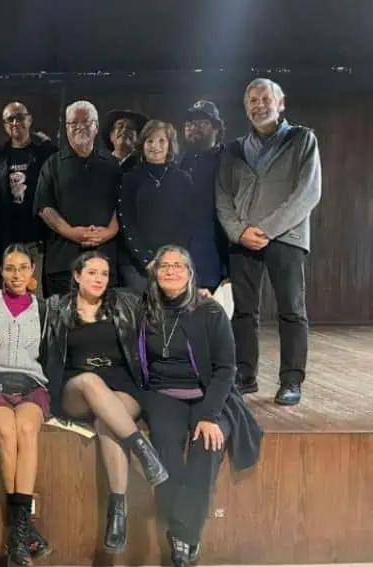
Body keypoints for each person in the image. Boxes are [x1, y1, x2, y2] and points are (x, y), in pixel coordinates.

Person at [135, 245, 263, 567]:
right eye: (164, 265)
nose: (171, 271)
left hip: (208, 394)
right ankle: (186, 538)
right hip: (163, 393)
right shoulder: (143, 309)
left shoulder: (211, 312)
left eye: (180, 266)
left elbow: (225, 369)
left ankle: (183, 537)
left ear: (191, 274)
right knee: (165, 444)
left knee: (208, 444)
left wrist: (208, 416)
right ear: (154, 271)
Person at [41, 250, 168, 555]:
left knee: (107, 422)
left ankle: (118, 510)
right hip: (76, 389)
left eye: (104, 274)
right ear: (77, 276)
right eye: (92, 273)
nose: (99, 279)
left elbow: (160, 300)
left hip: (122, 386)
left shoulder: (124, 302)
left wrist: (198, 292)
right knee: (89, 381)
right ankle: (143, 451)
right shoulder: (56, 307)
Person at [216, 78, 322, 405]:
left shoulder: (302, 139)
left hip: (286, 238)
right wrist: (238, 232)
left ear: (281, 103)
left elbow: (307, 193)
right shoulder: (233, 149)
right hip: (243, 240)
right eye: (252, 99)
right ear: (245, 106)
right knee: (244, 312)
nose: (259, 104)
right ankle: (245, 376)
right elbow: (222, 197)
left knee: (292, 310)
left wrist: (267, 229)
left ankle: (291, 380)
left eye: (265, 98)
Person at [0, 244, 52, 567]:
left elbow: (47, 355)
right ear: (1, 272)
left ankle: (18, 534)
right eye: (10, 268)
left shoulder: (44, 309)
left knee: (26, 428)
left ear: (33, 271)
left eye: (23, 267)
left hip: (31, 384)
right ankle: (24, 530)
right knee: (6, 433)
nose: (16, 274)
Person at [35, 100, 121, 296]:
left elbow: (122, 205)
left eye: (86, 122)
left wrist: (107, 233)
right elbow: (44, 207)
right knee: (63, 320)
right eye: (74, 123)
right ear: (66, 127)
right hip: (63, 263)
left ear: (96, 126)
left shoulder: (113, 165)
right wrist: (72, 233)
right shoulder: (52, 164)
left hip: (104, 258)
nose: (80, 127)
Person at [118, 120, 195, 293]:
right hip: (136, 262)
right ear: (142, 144)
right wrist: (146, 260)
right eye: (150, 141)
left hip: (173, 261)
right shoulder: (130, 178)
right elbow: (126, 222)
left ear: (170, 145)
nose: (155, 146)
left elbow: (188, 221)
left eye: (162, 141)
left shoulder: (183, 179)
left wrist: (169, 260)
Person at [0, 102, 58, 293]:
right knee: (11, 297)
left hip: (38, 240)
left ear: (29, 119)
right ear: (4, 125)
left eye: (19, 117)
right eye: (9, 119)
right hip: (9, 241)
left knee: (36, 297)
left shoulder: (46, 153)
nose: (15, 122)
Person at [180, 100, 229, 294]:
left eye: (201, 121)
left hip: (217, 255)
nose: (193, 126)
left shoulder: (229, 160)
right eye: (189, 122)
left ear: (216, 128)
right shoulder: (179, 162)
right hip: (184, 254)